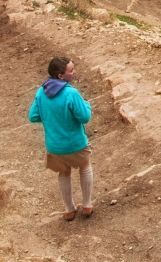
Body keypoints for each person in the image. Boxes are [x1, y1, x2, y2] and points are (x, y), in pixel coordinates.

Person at [28, 57, 93, 221]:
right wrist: (86, 104)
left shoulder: (41, 92)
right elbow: (84, 117)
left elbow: (33, 116)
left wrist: (51, 118)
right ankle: (87, 205)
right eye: (71, 70)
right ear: (60, 76)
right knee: (85, 166)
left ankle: (69, 209)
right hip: (76, 143)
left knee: (64, 172)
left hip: (54, 146)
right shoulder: (71, 93)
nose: (74, 72)